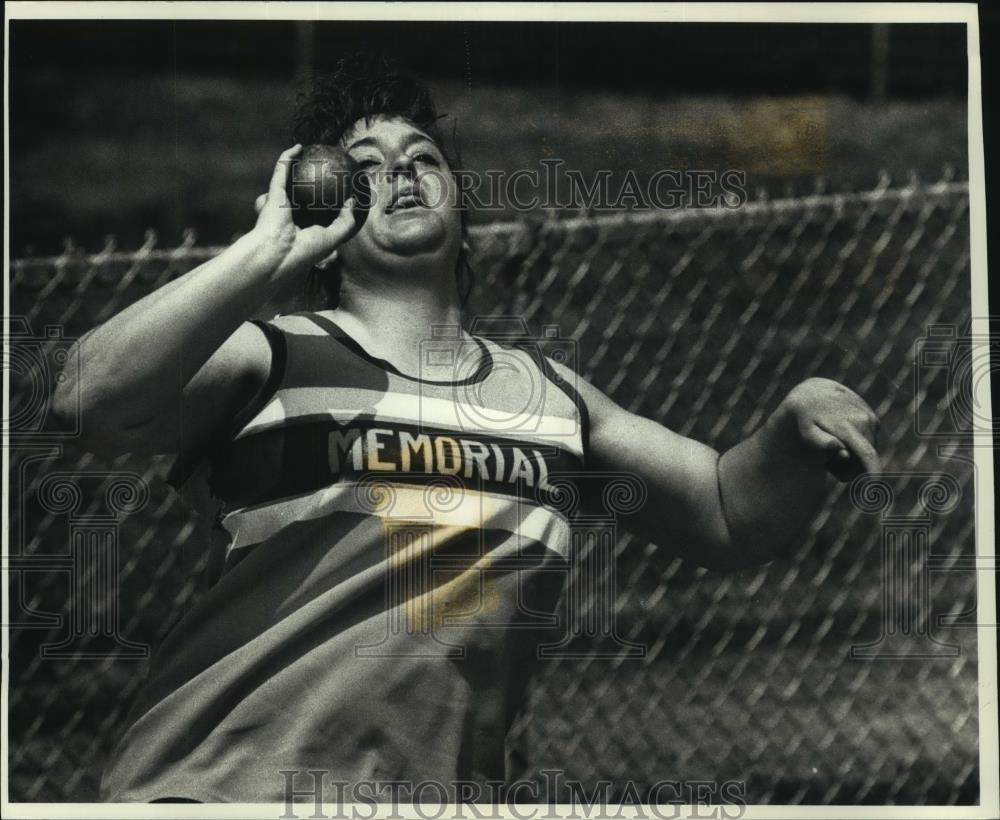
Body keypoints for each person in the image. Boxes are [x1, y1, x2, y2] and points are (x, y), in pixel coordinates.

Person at [51, 54, 880, 804]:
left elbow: (727, 512)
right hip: (225, 790)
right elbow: (87, 398)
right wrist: (266, 254)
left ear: (460, 201)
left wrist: (794, 428)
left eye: (423, 159)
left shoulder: (552, 396)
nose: (402, 175)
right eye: (365, 170)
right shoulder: (271, 355)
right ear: (328, 211)